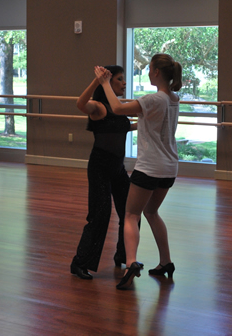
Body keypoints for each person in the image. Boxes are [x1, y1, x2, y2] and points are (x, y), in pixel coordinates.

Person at [95, 53, 182, 290]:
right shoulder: (174, 99)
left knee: (131, 214)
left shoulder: (154, 99)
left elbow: (116, 107)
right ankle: (166, 262)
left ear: (156, 72)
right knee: (152, 212)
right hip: (169, 167)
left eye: (149, 68)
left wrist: (104, 82)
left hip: (150, 167)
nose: (147, 72)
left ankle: (131, 261)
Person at [70, 65, 137, 280]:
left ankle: (124, 254)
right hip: (100, 167)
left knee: (131, 212)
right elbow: (80, 104)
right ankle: (79, 263)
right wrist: (96, 82)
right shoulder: (98, 106)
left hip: (118, 168)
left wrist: (148, 122)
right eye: (120, 79)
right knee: (100, 215)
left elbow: (123, 127)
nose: (124, 83)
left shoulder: (117, 107)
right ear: (109, 82)